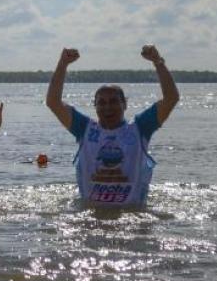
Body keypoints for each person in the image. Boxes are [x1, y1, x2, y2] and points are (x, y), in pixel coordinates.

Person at [46, 45, 179, 210]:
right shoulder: (84, 128)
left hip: (132, 217)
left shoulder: (140, 128)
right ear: (94, 106)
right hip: (90, 218)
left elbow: (171, 98)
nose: (108, 107)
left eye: (114, 101)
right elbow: (53, 102)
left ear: (125, 104)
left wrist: (158, 62)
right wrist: (63, 64)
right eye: (101, 103)